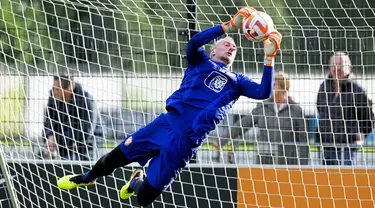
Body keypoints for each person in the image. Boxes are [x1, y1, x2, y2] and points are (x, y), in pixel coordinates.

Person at [57, 7, 282, 207]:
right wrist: (229, 26)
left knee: (144, 199)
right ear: (213, 51)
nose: (231, 46)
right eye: (226, 43)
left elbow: (263, 92)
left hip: (185, 144)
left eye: (234, 47)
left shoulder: (237, 82)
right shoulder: (200, 62)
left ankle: (136, 181)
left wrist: (269, 57)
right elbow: (194, 43)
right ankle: (86, 178)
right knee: (113, 159)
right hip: (165, 125)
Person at [218, 72, 308, 165]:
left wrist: (303, 165)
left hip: (287, 162)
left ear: (284, 88)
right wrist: (222, 140)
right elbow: (243, 124)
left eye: (274, 85)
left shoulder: (296, 110)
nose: (271, 88)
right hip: (264, 160)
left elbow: (303, 139)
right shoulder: (263, 107)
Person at [316, 52, 374, 165]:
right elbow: (320, 109)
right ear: (329, 68)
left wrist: (360, 135)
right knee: (326, 181)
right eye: (334, 65)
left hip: (348, 149)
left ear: (349, 68)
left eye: (340, 65)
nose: (337, 68)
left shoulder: (358, 90)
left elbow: (369, 118)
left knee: (347, 181)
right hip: (327, 147)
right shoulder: (323, 87)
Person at [43, 75, 97, 160]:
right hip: (62, 146)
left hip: (85, 148)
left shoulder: (86, 100)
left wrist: (57, 138)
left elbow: (86, 132)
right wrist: (50, 135)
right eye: (53, 88)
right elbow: (48, 122)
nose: (54, 92)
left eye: (57, 89)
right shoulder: (53, 99)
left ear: (69, 90)